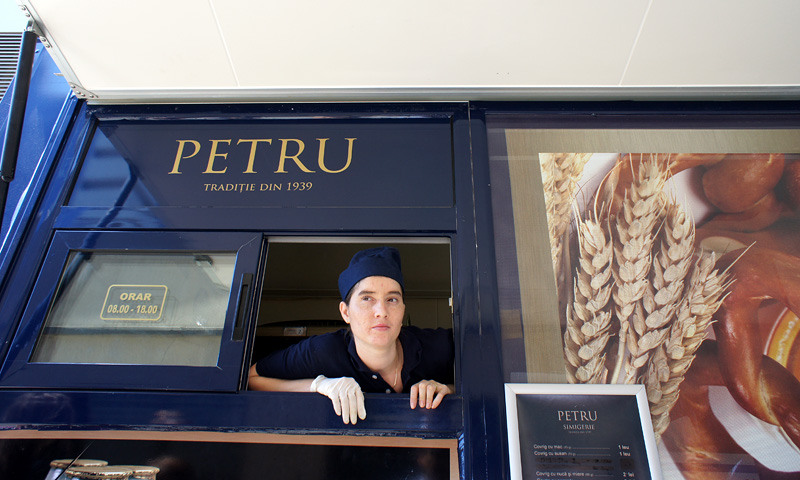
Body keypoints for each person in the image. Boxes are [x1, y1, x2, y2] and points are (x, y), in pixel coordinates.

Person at [248, 246, 455, 424]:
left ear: (403, 310)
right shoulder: (323, 351)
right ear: (345, 312)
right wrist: (318, 385)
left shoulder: (438, 346)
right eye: (367, 299)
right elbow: (253, 377)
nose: (381, 311)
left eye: (392, 299)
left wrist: (449, 389)